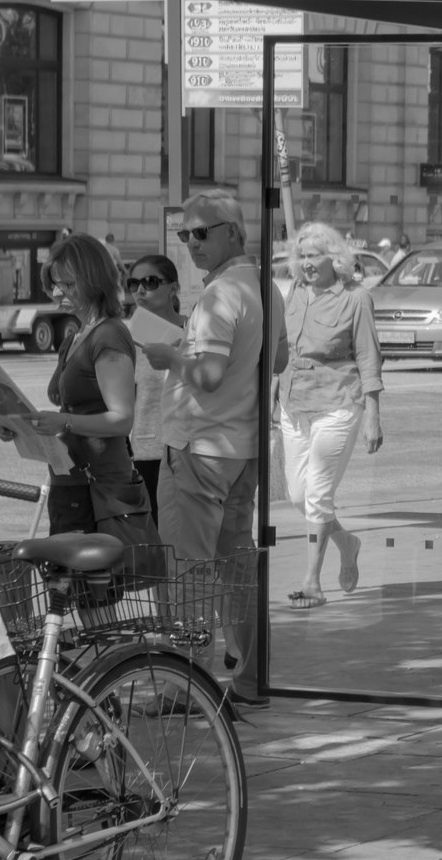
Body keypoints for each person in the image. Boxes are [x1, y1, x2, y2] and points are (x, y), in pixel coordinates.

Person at [141, 189, 285, 710]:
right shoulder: (264, 286)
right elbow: (280, 358)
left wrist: (168, 355)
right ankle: (250, 680)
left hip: (199, 449)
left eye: (200, 232)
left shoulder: (220, 295)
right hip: (240, 448)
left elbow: (206, 373)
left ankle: (187, 687)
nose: (191, 243)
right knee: (235, 567)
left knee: (190, 569)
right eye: (184, 234)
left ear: (233, 231)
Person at [276, 221, 384, 609]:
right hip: (293, 401)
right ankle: (346, 542)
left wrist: (372, 413)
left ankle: (311, 582)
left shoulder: (356, 298)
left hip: (338, 402)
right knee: (297, 495)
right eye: (301, 256)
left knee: (318, 494)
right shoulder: (295, 293)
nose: (306, 263)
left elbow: (369, 357)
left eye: (314, 256)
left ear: (334, 258)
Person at [30, 233, 160, 552]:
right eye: (56, 284)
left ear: (93, 281)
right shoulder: (80, 333)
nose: (60, 292)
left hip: (96, 487)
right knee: (75, 593)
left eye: (69, 285)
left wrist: (64, 424)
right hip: (74, 481)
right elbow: (65, 403)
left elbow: (121, 419)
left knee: (92, 594)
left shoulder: (108, 335)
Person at [123, 254, 181, 522]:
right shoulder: (127, 338)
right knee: (153, 537)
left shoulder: (194, 330)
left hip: (190, 448)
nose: (140, 290)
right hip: (147, 451)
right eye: (133, 284)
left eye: (150, 281)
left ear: (173, 288)